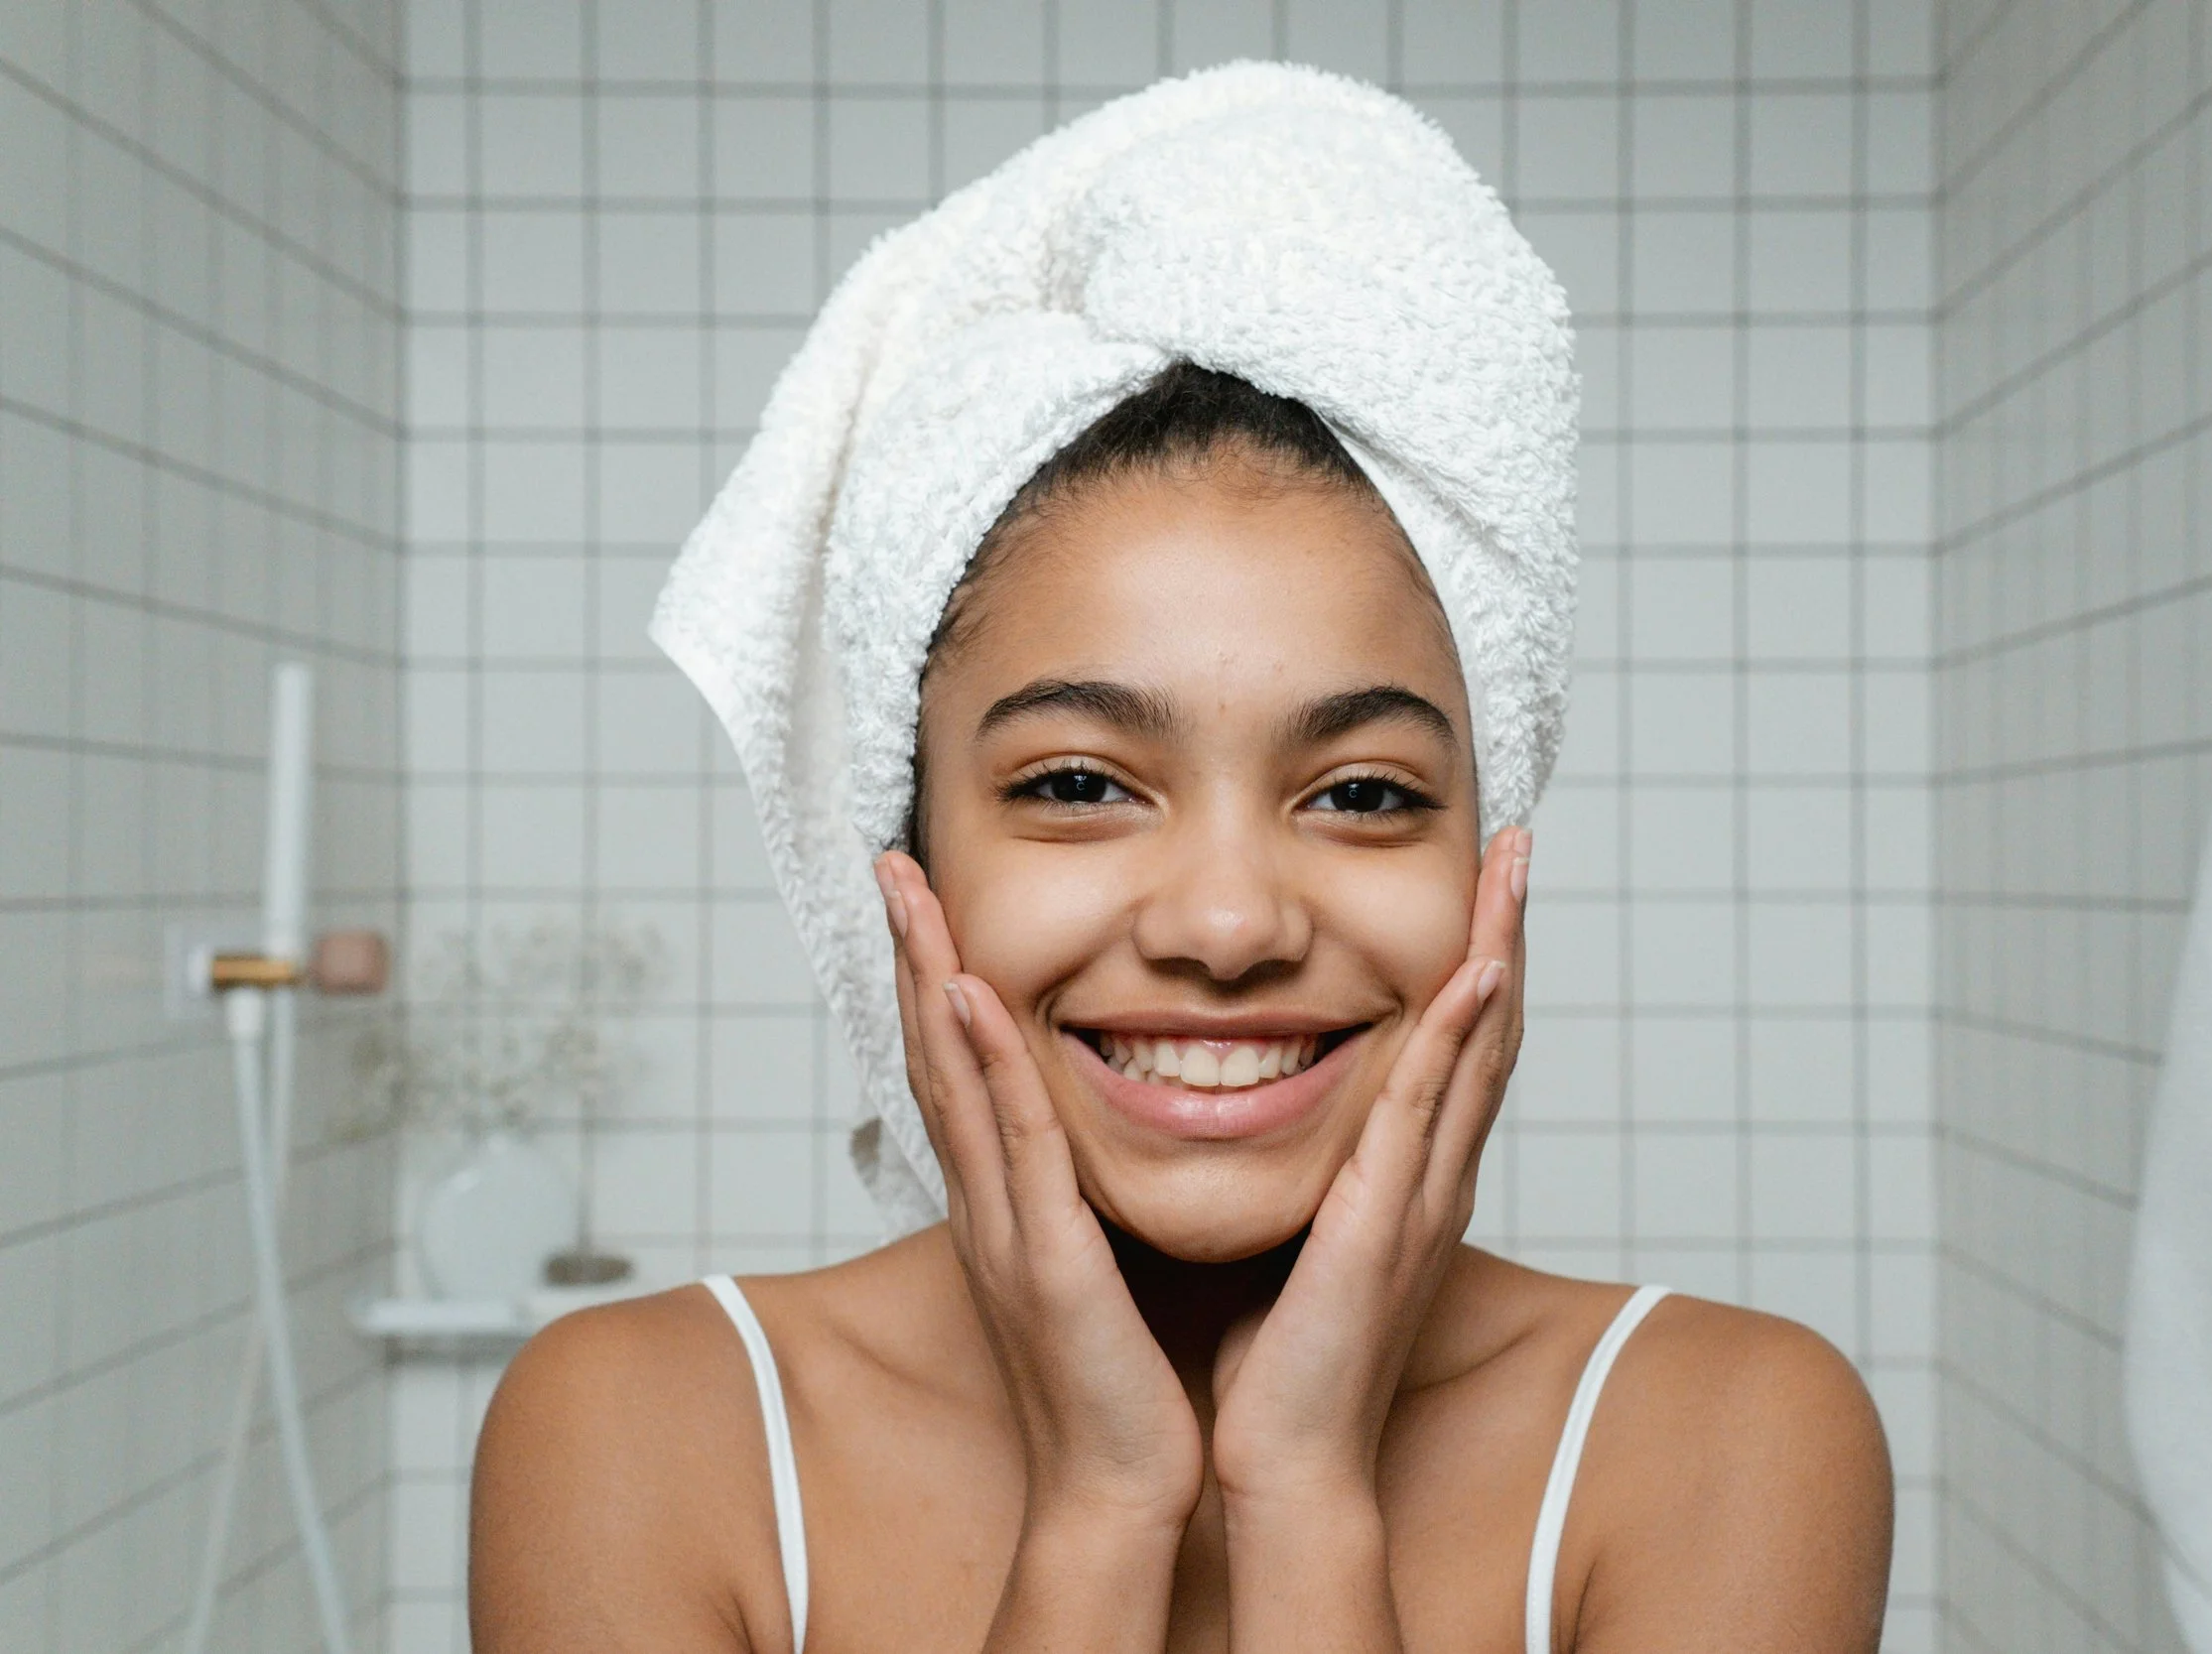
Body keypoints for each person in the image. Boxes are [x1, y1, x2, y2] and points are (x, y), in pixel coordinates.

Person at [470, 64, 1889, 1654]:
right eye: (1080, 780)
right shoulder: (643, 1436)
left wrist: (1301, 1495)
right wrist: (1100, 1504)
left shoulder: (1727, 1439)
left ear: (1495, 861)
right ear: (909, 858)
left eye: (1359, 793)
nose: (1228, 921)